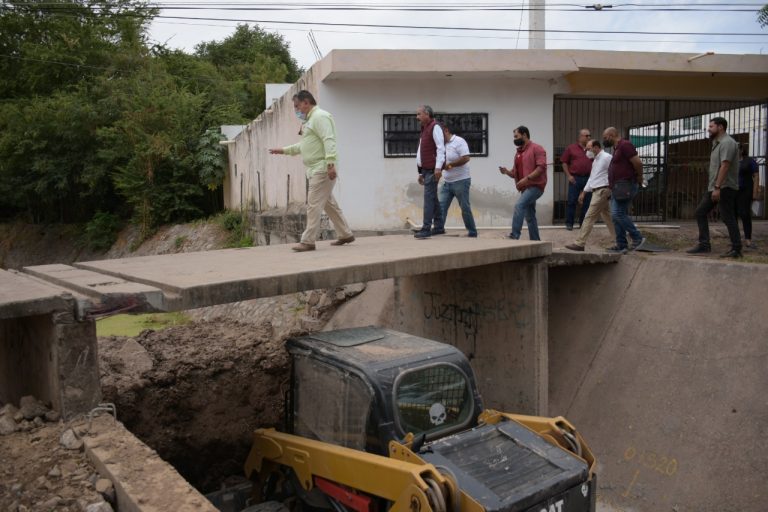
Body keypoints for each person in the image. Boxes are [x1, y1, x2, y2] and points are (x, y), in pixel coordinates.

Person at [269, 90, 354, 252]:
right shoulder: (310, 121)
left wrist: (330, 164)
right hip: (317, 169)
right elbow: (303, 146)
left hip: (322, 169)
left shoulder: (320, 117)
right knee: (329, 205)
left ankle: (308, 241)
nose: (297, 110)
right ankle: (345, 234)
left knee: (313, 205)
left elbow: (329, 140)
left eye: (297, 106)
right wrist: (282, 150)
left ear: (306, 102)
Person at [686, 117, 742, 258]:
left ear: (720, 127)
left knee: (727, 217)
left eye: (711, 126)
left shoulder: (727, 143)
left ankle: (736, 249)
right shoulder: (717, 143)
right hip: (715, 186)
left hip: (725, 187)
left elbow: (725, 165)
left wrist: (717, 187)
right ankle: (704, 245)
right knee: (700, 212)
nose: (708, 129)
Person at [565, 139, 616, 251]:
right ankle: (619, 241)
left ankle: (580, 243)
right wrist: (584, 192)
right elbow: (592, 178)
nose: (586, 151)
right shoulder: (595, 161)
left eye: (588, 149)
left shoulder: (607, 157)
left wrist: (611, 188)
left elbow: (614, 172)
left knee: (589, 216)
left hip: (603, 190)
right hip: (597, 190)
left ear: (596, 147)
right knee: (608, 217)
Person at [499, 126, 547, 241]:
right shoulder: (518, 153)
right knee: (530, 217)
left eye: (516, 136)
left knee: (519, 206)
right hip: (525, 188)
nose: (515, 139)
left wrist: (527, 179)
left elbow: (541, 168)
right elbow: (515, 174)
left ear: (524, 135)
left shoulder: (537, 148)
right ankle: (535, 241)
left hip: (536, 186)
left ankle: (514, 235)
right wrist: (506, 172)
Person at [602, 127, 645, 254]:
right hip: (617, 187)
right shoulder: (617, 148)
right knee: (615, 217)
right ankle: (621, 245)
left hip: (626, 185)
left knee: (618, 214)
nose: (604, 140)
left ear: (611, 135)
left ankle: (638, 238)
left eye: (605, 138)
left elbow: (638, 162)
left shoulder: (625, 145)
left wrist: (640, 177)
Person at [439, 124, 477, 238]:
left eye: (440, 134)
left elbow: (466, 158)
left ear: (446, 130)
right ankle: (438, 229)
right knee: (441, 207)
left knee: (464, 207)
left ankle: (472, 232)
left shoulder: (459, 141)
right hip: (447, 182)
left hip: (461, 180)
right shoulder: (441, 145)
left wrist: (450, 165)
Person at [414, 105, 446, 239]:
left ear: (427, 114)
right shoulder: (425, 129)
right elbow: (421, 152)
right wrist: (420, 172)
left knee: (428, 198)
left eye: (419, 114)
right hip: (426, 170)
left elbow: (440, 149)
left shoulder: (435, 127)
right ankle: (438, 227)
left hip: (433, 169)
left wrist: (438, 168)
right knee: (432, 197)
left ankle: (426, 228)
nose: (417, 117)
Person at [560, 128, 593, 230]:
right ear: (580, 137)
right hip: (575, 178)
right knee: (572, 201)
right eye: (586, 136)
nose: (588, 137)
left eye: (589, 135)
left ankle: (583, 224)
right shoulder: (571, 148)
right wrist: (569, 176)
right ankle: (569, 223)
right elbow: (564, 162)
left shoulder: (592, 149)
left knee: (587, 203)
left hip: (589, 178)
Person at [737, 145, 760, 249]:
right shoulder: (730, 161)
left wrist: (755, 192)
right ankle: (736, 239)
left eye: (737, 149)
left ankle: (748, 240)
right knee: (732, 215)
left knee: (744, 213)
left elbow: (756, 175)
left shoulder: (749, 161)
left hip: (746, 190)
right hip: (733, 191)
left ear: (741, 150)